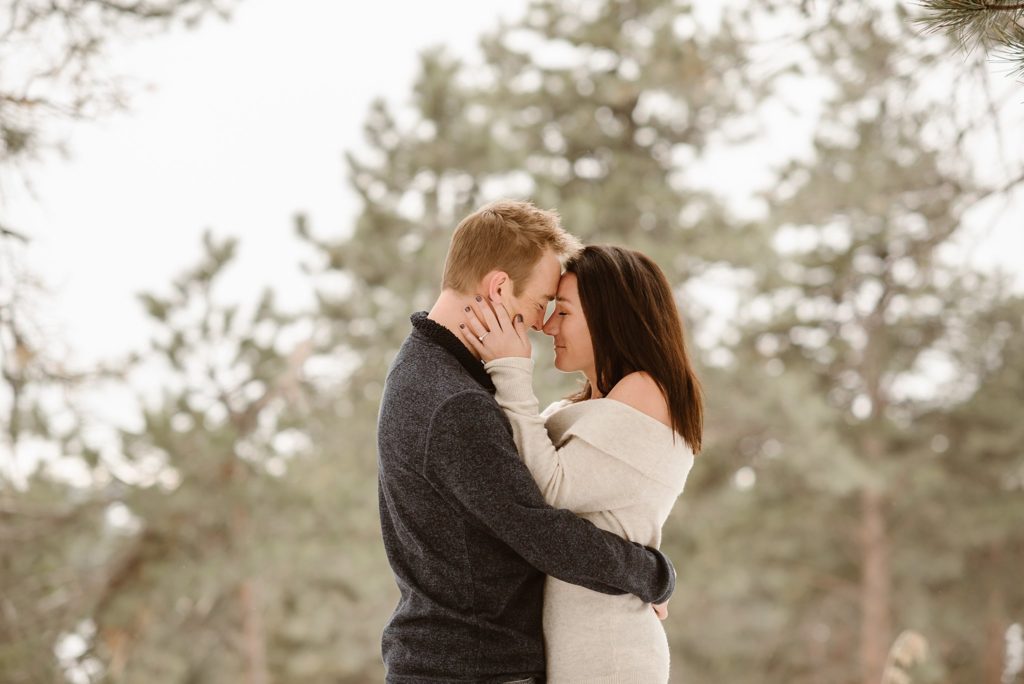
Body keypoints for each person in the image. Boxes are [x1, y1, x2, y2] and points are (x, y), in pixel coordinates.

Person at [377, 202, 678, 683]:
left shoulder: (431, 371)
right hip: (475, 668)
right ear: (498, 288)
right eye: (541, 303)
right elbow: (538, 531)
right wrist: (651, 575)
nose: (542, 324)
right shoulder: (454, 399)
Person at [459, 244, 703, 682]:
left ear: (613, 316)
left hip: (608, 647)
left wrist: (511, 370)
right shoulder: (592, 404)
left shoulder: (646, 391)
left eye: (565, 313)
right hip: (576, 642)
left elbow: (550, 490)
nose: (548, 325)